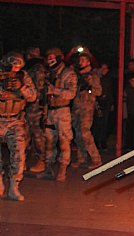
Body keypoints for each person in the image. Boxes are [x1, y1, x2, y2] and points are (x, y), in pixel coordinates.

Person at [0, 51, 37, 200]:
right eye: (12, 65)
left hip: (15, 121)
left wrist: (20, 87)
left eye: (17, 66)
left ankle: (14, 186)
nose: (14, 69)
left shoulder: (23, 76)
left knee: (18, 155)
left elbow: (33, 96)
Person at [41, 47, 77, 182]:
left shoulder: (68, 73)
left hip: (63, 111)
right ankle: (48, 168)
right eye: (48, 58)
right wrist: (45, 113)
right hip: (50, 111)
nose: (50, 60)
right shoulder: (49, 73)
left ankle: (62, 170)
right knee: (49, 141)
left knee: (64, 141)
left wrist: (55, 90)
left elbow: (71, 94)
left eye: (52, 58)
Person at [71, 52, 102, 169]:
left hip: (87, 108)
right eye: (80, 60)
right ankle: (81, 158)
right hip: (76, 107)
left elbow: (99, 91)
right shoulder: (76, 75)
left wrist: (89, 88)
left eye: (83, 60)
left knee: (85, 133)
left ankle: (96, 158)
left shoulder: (92, 75)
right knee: (78, 134)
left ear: (88, 62)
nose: (81, 62)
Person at [24, 46, 48, 173]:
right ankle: (23, 160)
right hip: (28, 106)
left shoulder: (38, 68)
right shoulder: (29, 68)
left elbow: (39, 88)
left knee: (37, 133)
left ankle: (41, 160)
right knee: (26, 133)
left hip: (35, 106)